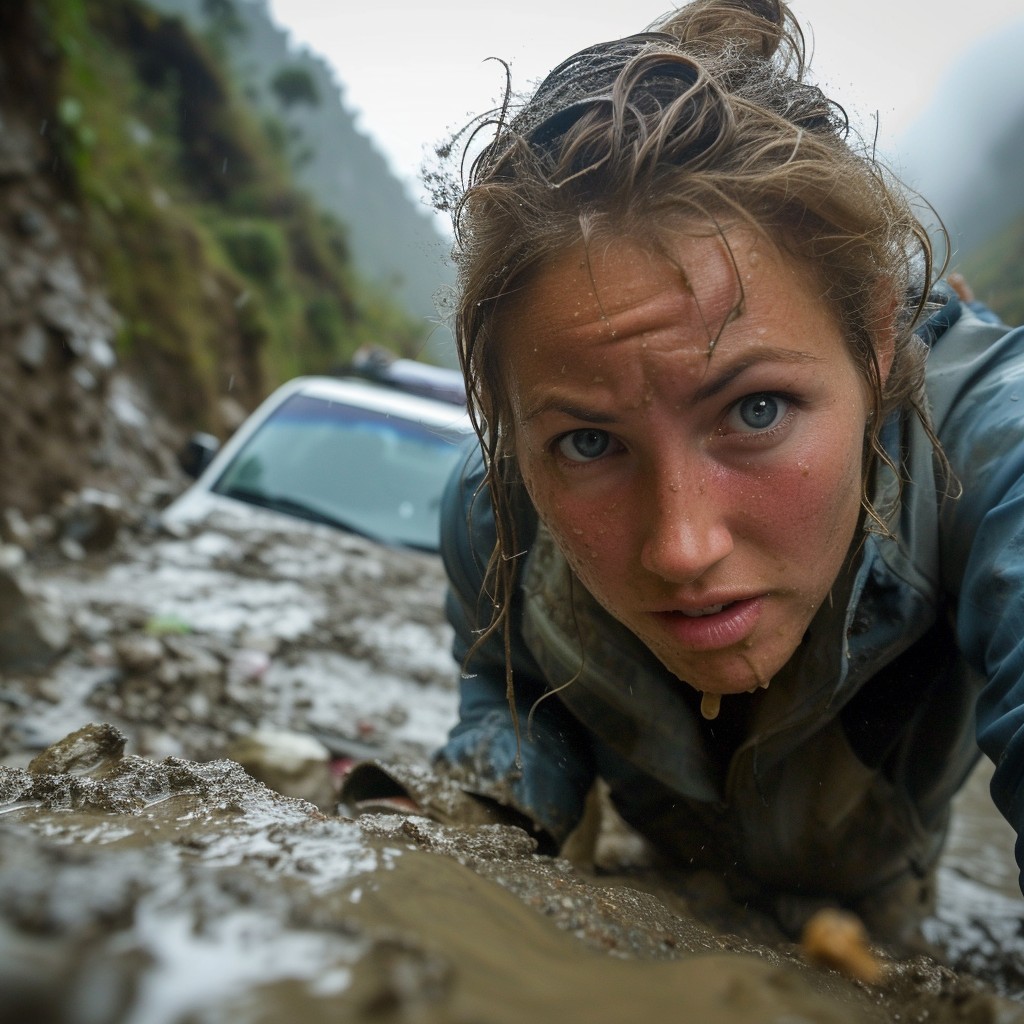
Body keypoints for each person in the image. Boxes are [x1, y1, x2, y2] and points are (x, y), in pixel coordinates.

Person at [343, 0, 1023, 941]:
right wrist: (453, 837)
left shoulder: (993, 440)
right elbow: (511, 698)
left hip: (874, 909)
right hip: (664, 880)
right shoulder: (493, 511)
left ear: (873, 336)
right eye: (589, 443)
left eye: (756, 411)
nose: (682, 548)